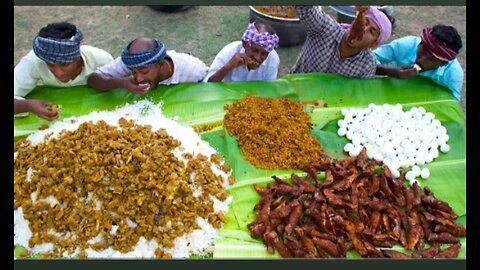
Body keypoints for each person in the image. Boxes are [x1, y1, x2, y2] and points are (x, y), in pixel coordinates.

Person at [14, 22, 114, 120]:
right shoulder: (33, 62)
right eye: (50, 65)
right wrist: (28, 105)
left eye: (64, 64)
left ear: (77, 57)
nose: (59, 73)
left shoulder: (101, 60)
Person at [291, 5, 392, 78]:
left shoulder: (367, 64)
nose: (364, 29)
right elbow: (304, 7)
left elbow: (357, 94)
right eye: (364, 22)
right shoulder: (325, 29)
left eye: (371, 31)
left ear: (372, 44)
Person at [88, 38, 208, 94]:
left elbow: (210, 88)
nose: (138, 79)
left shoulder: (192, 69)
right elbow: (93, 79)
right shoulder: (132, 61)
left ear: (160, 64)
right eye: (133, 72)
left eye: (144, 71)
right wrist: (121, 82)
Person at [374, 25, 463, 100]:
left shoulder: (453, 73)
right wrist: (389, 72)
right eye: (423, 51)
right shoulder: (406, 45)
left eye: (431, 59)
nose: (421, 60)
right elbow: (365, 61)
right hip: (391, 92)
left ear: (443, 64)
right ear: (420, 43)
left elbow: (450, 103)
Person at [203, 21, 280, 82]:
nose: (258, 58)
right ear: (245, 43)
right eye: (254, 50)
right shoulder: (228, 52)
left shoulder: (273, 59)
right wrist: (228, 66)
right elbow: (208, 85)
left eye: (264, 54)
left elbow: (269, 89)